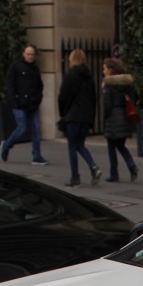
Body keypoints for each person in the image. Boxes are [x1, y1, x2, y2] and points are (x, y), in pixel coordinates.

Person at [56, 49, 101, 187]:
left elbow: (62, 97)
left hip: (73, 116)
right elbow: (94, 99)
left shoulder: (69, 76)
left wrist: (63, 113)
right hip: (86, 117)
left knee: (72, 146)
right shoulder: (89, 78)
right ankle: (93, 167)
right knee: (80, 145)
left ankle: (75, 176)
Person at [1, 44, 46, 165]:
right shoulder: (15, 67)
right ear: (23, 54)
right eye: (28, 54)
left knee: (36, 130)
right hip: (19, 104)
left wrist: (38, 99)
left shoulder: (35, 68)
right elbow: (10, 85)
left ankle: (36, 156)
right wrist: (13, 101)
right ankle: (6, 146)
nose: (31, 56)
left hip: (32, 104)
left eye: (32, 54)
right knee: (21, 128)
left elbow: (39, 85)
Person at [101, 58, 138, 183]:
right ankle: (131, 164)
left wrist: (104, 119)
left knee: (111, 147)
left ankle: (114, 173)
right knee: (121, 145)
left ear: (111, 70)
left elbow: (107, 105)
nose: (103, 71)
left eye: (105, 68)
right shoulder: (126, 84)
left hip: (113, 117)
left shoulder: (108, 85)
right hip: (124, 116)